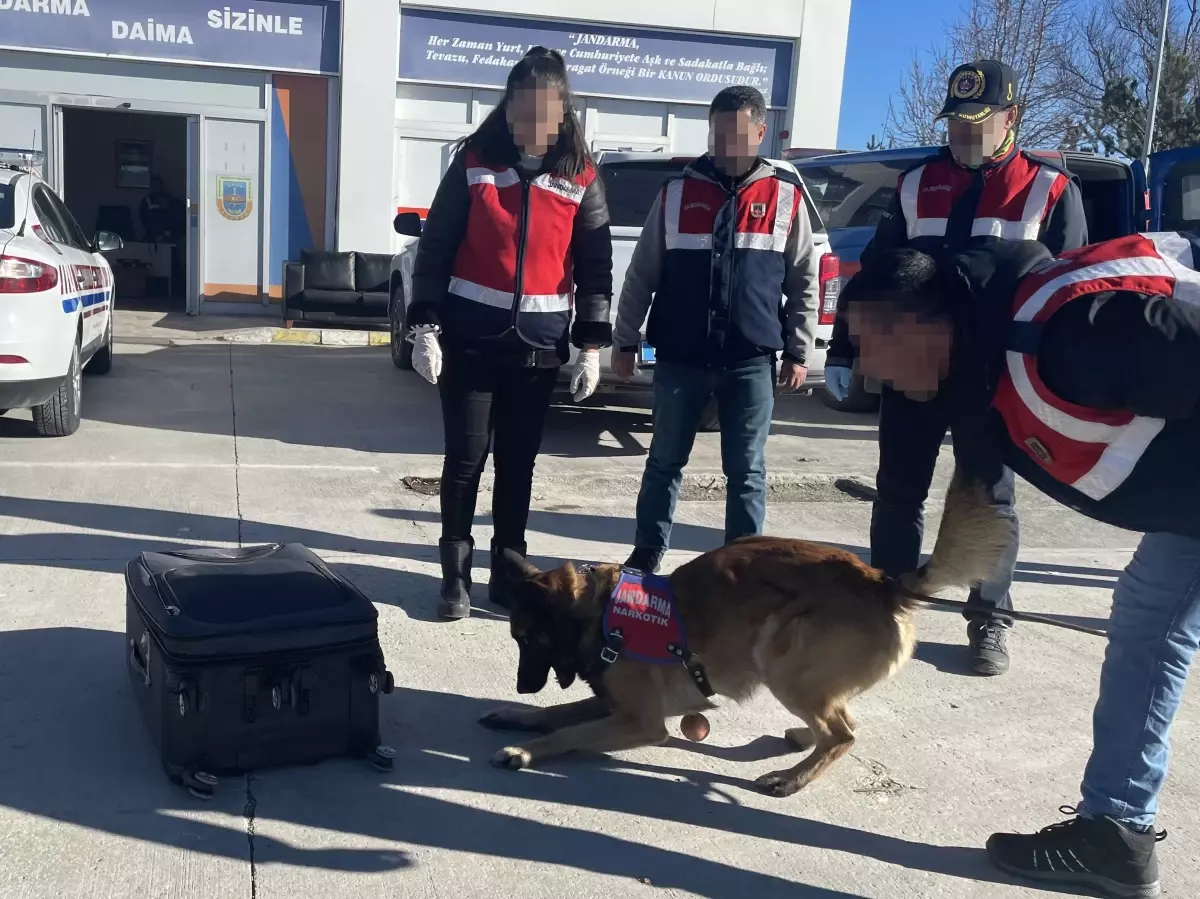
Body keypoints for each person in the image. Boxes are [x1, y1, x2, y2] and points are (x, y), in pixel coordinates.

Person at [843, 233, 1200, 899]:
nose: (867, 369)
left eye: (872, 343)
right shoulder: (982, 367)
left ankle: (1117, 829)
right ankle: (1115, 832)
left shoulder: (1066, 333)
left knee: (1153, 628)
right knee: (1148, 625)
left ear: (925, 321)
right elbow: (979, 502)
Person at [825, 59, 1089, 676]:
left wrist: (1063, 380)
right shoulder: (916, 184)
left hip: (994, 376)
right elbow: (875, 275)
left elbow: (1072, 295)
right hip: (914, 366)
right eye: (956, 123)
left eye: (978, 122)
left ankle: (989, 619)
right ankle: (883, 607)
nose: (964, 135)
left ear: (1010, 118)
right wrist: (844, 348)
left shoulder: (1050, 190)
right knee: (898, 493)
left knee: (986, 498)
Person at [404, 48, 613, 621]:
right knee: (464, 462)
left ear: (563, 110)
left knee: (518, 466)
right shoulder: (474, 162)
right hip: (471, 342)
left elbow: (595, 265)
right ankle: (455, 578)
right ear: (508, 107)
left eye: (546, 111)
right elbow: (437, 246)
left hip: (539, 351)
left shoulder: (581, 176)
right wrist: (424, 325)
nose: (534, 123)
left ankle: (508, 572)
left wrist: (590, 345)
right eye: (523, 109)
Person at [611, 85, 819, 574]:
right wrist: (624, 339)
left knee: (746, 471)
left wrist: (798, 348)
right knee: (664, 462)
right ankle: (646, 554)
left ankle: (743, 566)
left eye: (738, 133)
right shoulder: (676, 193)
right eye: (718, 132)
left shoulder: (785, 197)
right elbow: (643, 273)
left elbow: (806, 277)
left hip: (750, 361)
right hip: (681, 359)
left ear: (760, 132)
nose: (726, 143)